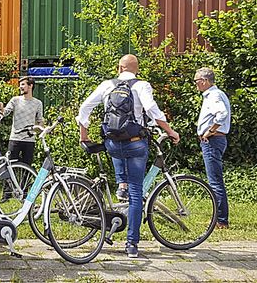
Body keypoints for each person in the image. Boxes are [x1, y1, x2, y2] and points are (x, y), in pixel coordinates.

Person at [76, 54, 179, 258]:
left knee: (116, 147)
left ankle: (120, 185)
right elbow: (151, 109)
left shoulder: (107, 84)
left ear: (119, 68)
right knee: (136, 194)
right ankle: (131, 244)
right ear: (136, 69)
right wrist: (170, 131)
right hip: (135, 144)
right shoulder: (141, 86)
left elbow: (85, 107)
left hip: (112, 144)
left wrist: (84, 134)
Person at [195, 67, 231, 229]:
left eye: (196, 81)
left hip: (213, 140)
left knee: (215, 181)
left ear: (204, 81)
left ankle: (221, 220)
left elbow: (221, 114)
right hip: (216, 139)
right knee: (215, 180)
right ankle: (220, 217)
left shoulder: (213, 96)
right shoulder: (218, 94)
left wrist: (210, 131)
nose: (195, 84)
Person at [0, 76, 44, 166]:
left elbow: (40, 121)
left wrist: (40, 129)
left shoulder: (38, 103)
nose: (20, 87)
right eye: (20, 85)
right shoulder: (15, 100)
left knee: (27, 168)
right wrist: (1, 106)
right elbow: (5, 112)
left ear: (30, 86)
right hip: (15, 139)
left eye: (23, 84)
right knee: (9, 166)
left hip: (29, 140)